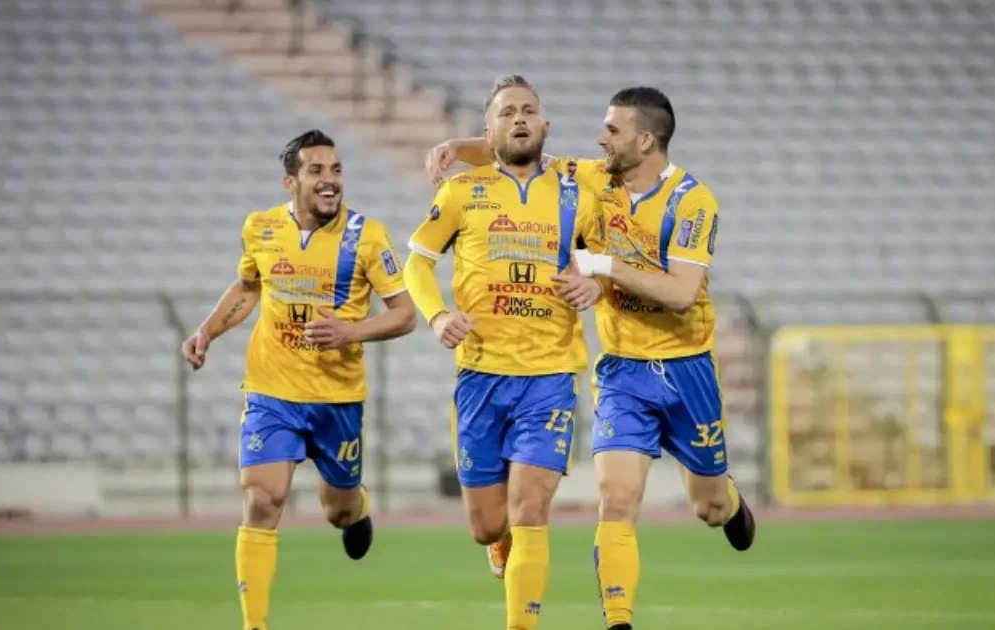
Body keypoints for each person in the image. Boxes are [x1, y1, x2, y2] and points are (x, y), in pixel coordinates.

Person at [426, 86, 756, 630]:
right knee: (616, 497)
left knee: (709, 507)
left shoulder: (693, 201)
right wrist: (459, 147)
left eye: (612, 130)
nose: (600, 139)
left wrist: (600, 265)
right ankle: (619, 620)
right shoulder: (594, 178)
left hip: (687, 368)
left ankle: (728, 497)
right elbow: (521, 151)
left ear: (645, 141)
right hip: (623, 371)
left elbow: (680, 293)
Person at [180, 129, 417, 630]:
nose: (330, 180)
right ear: (291, 182)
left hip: (337, 398)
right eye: (316, 171)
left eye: (336, 170)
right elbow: (248, 288)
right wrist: (207, 330)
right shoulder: (261, 228)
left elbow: (405, 315)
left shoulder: (368, 236)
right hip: (272, 392)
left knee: (338, 511)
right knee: (261, 499)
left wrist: (350, 331)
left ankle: (357, 505)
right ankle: (255, 625)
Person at [403, 75, 602, 630]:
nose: (519, 118)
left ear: (545, 125)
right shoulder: (462, 192)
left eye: (528, 110)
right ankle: (498, 540)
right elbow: (416, 263)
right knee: (487, 525)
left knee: (531, 508)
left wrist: (596, 283)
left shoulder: (578, 190)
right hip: (481, 376)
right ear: (488, 131)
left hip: (550, 376)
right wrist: (438, 316)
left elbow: (608, 261)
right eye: (507, 112)